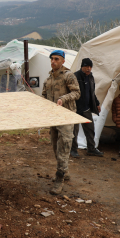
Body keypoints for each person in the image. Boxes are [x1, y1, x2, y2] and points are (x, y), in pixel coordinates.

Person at [41, 49, 81, 195]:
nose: (53, 61)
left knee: (64, 147)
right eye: (52, 59)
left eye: (57, 59)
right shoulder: (48, 79)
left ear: (63, 61)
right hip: (53, 118)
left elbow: (77, 93)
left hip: (66, 117)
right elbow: (44, 97)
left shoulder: (69, 76)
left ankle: (60, 177)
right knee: (55, 147)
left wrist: (63, 99)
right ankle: (65, 171)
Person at [71, 58, 104, 158]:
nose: (88, 69)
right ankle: (73, 150)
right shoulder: (75, 76)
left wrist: (97, 103)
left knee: (90, 129)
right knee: (74, 131)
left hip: (86, 108)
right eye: (86, 67)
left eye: (90, 67)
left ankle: (91, 148)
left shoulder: (90, 77)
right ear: (82, 67)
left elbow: (92, 92)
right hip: (76, 109)